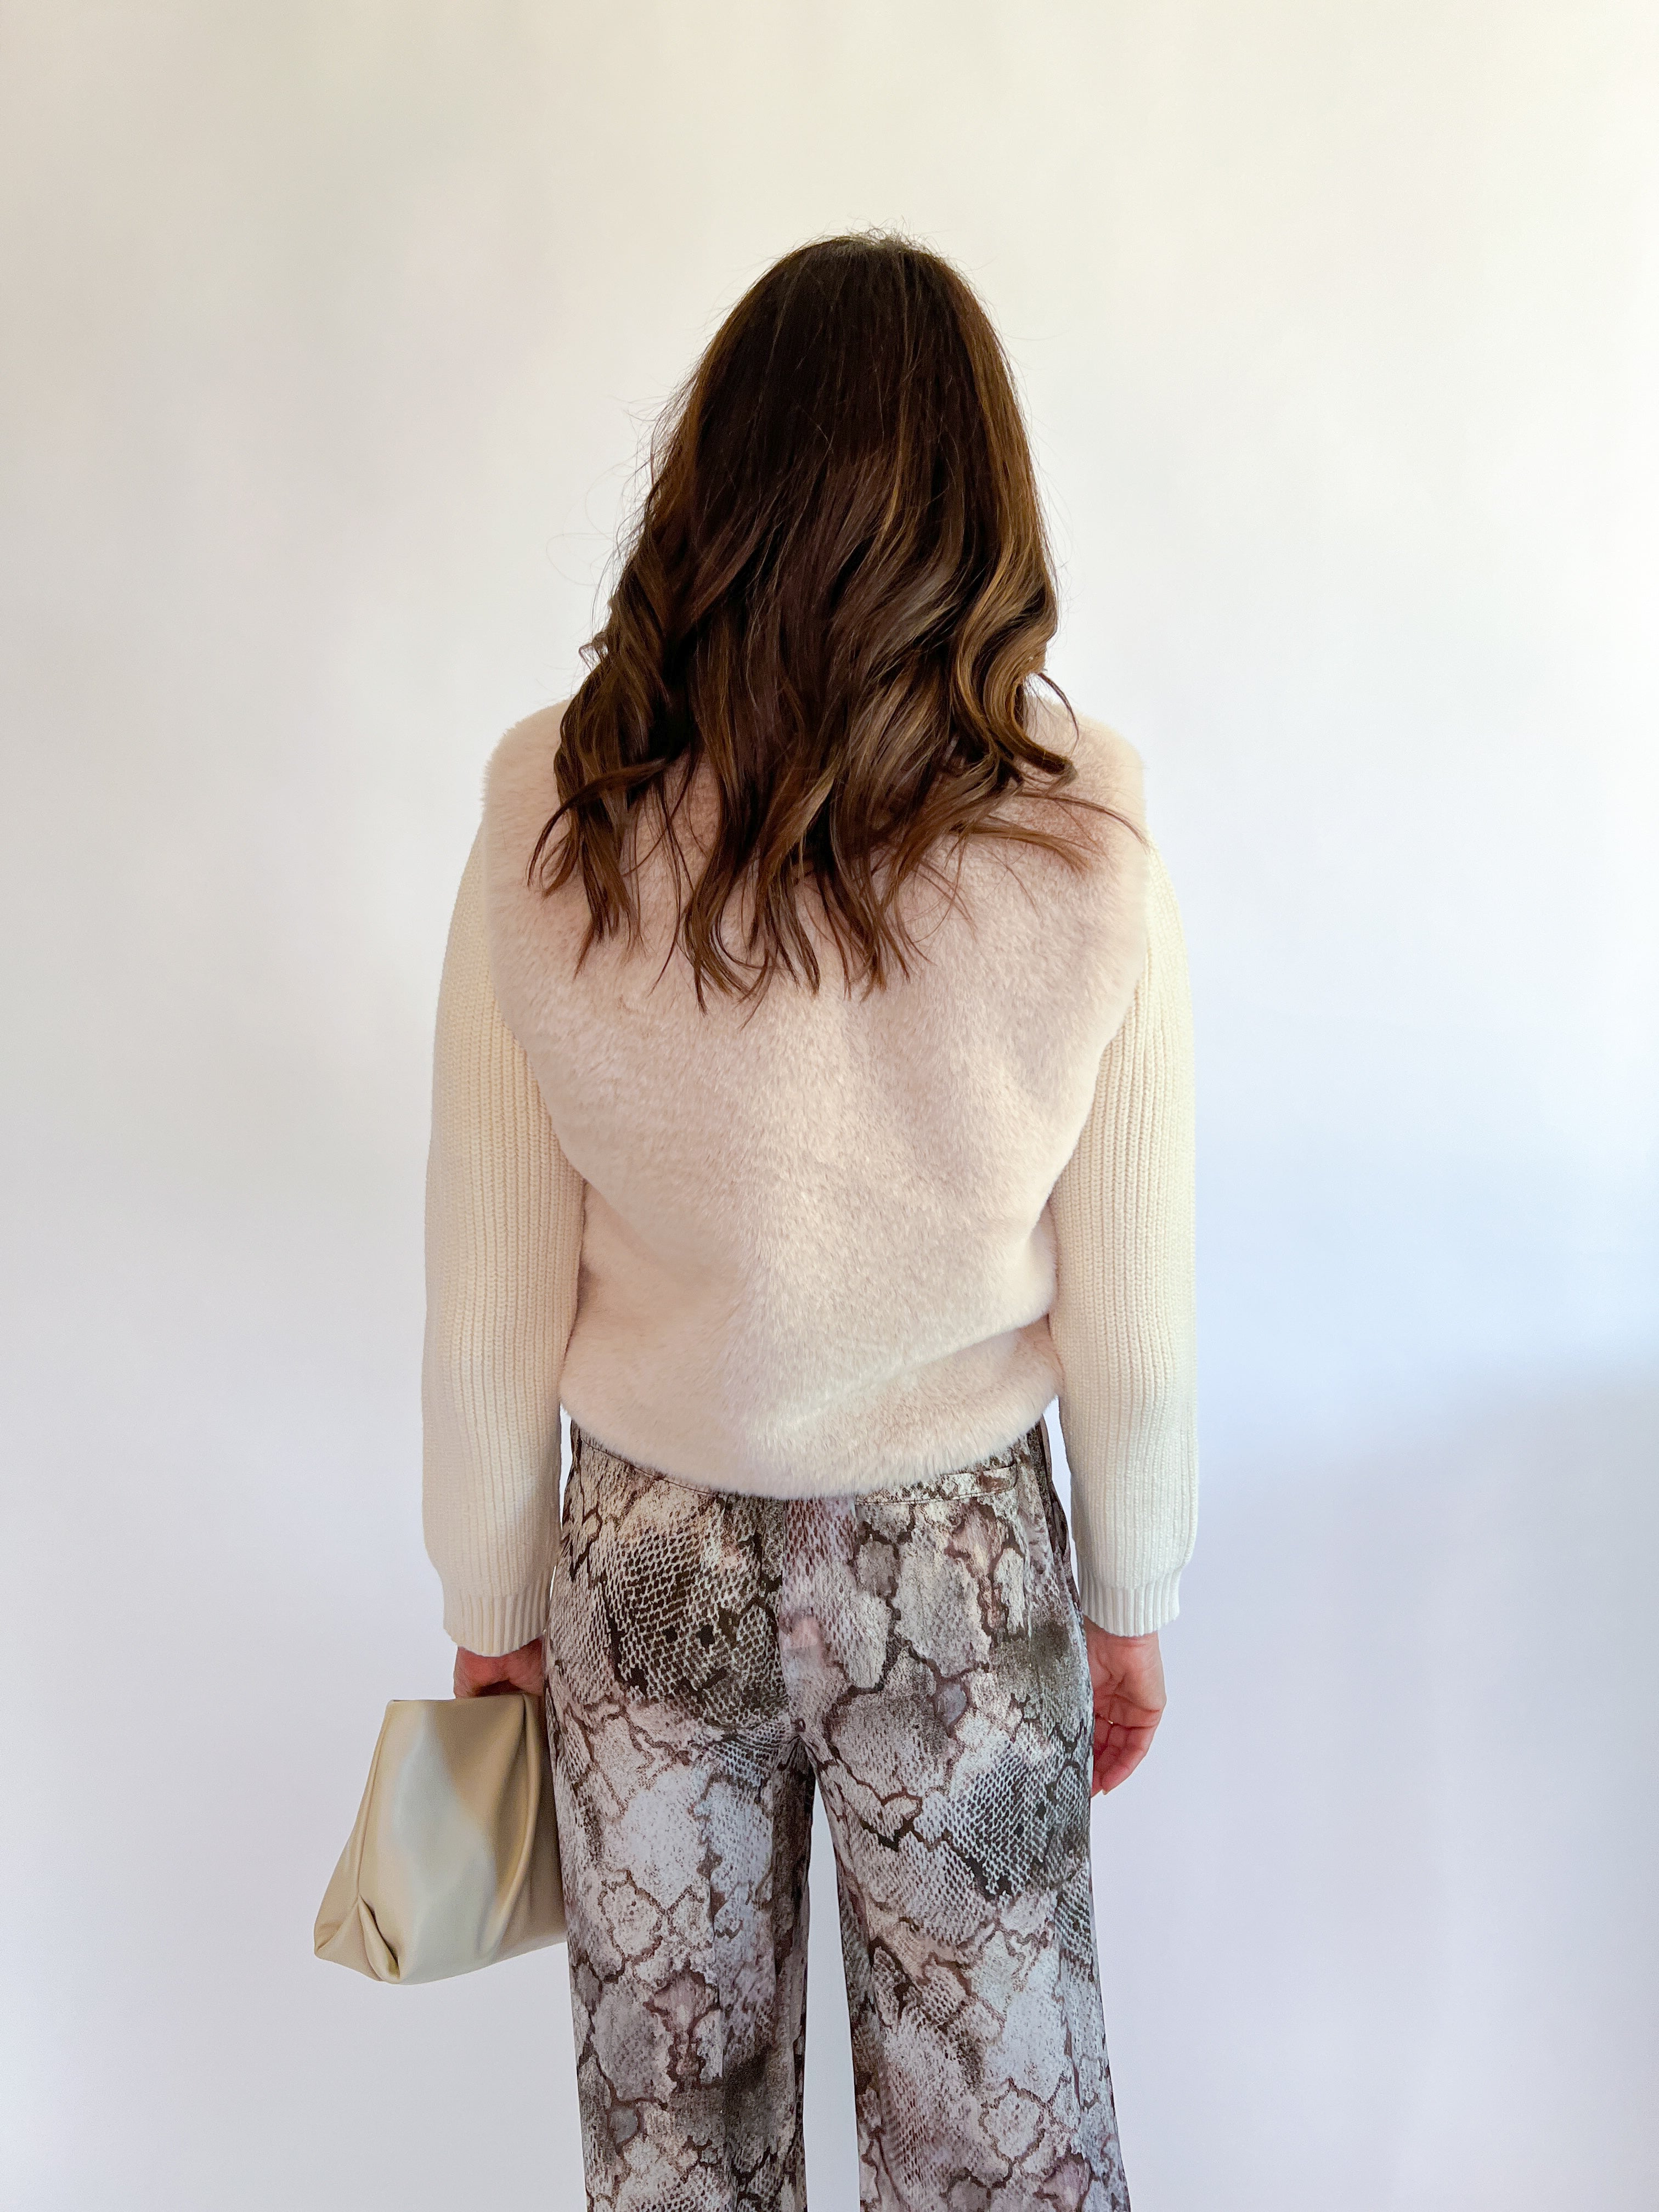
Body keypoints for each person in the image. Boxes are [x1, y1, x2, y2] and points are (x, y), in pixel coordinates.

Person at [420, 232, 1197, 2212]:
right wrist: (1132, 1591)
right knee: (1003, 2164)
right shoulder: (1083, 830)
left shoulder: (557, 807)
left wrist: (493, 1599)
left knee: (674, 2158)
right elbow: (1132, 1299)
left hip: (641, 1558)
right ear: (984, 511)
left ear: (711, 486)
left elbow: (491, 1270)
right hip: (960, 1568)